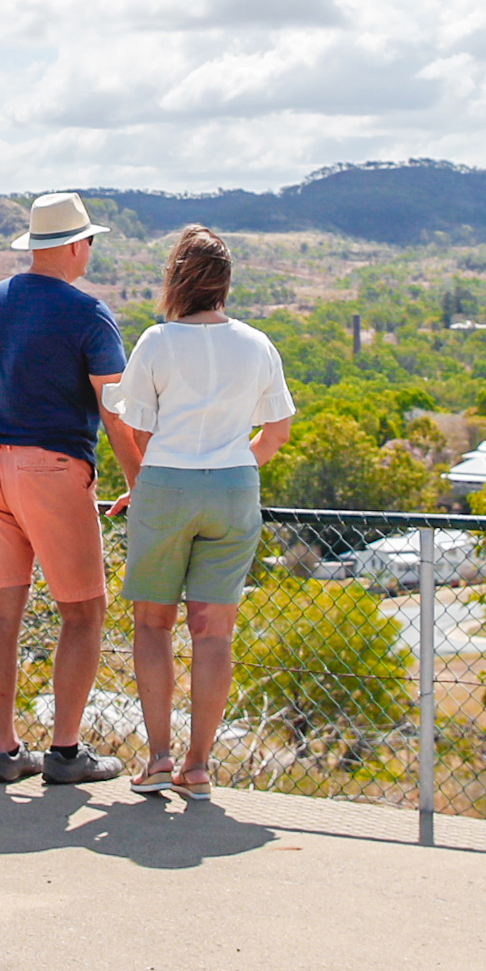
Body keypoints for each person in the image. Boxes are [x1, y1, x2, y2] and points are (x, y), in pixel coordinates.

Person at [100, 225, 294, 800]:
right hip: (235, 489)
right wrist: (237, 464)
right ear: (225, 284)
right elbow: (277, 431)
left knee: (152, 623)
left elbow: (132, 427)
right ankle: (199, 765)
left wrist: (148, 484)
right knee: (214, 633)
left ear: (176, 280)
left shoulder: (157, 342)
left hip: (165, 484)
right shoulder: (257, 344)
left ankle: (159, 758)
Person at [0, 191, 130, 786]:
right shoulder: (88, 313)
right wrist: (140, 483)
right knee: (83, 611)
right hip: (50, 469)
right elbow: (116, 412)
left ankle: (4, 751)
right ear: (77, 245)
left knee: (2, 609)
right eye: (90, 243)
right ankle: (66, 752)